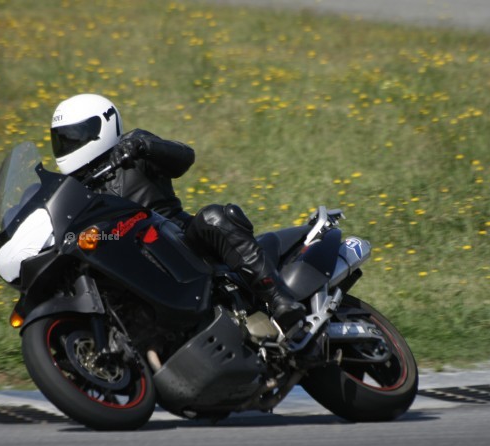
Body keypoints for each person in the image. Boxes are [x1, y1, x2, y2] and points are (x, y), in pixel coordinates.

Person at [50, 93, 305, 329]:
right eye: (61, 139)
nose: (67, 145)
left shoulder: (133, 146)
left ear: (102, 125)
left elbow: (185, 157)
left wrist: (143, 146)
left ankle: (279, 298)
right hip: (127, 258)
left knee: (213, 217)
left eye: (74, 135)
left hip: (178, 239)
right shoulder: (73, 190)